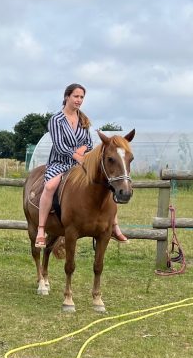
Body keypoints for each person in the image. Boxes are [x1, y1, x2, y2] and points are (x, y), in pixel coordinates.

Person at [34, 83, 129, 248]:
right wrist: (76, 156)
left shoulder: (83, 119)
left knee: (106, 186)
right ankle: (41, 229)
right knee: (50, 186)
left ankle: (114, 226)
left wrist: (83, 151)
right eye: (76, 96)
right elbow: (59, 145)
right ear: (67, 97)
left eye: (81, 97)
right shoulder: (56, 120)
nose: (79, 100)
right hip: (60, 163)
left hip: (80, 163)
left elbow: (89, 143)